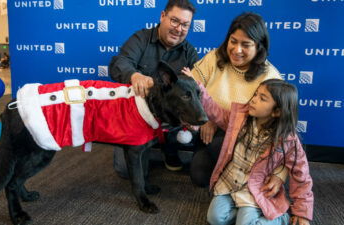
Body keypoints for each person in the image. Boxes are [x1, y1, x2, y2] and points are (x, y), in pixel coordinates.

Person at [188, 12, 283, 188]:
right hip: (208, 131)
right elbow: (190, 87)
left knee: (219, 145)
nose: (237, 50)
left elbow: (280, 130)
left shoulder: (271, 77)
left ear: (259, 47)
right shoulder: (214, 57)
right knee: (199, 176)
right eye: (233, 41)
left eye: (245, 45)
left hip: (246, 141)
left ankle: (246, 179)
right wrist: (205, 119)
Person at [200, 78, 314, 225]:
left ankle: (280, 218)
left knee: (245, 223)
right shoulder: (239, 118)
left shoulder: (287, 140)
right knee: (215, 219)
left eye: (262, 98)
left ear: (277, 111)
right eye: (255, 94)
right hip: (229, 183)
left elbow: (301, 175)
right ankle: (253, 215)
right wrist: (199, 91)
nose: (253, 100)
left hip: (254, 190)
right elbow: (216, 113)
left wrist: (302, 212)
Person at [109, 0, 199, 177]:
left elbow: (198, 87)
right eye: (175, 21)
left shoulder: (189, 52)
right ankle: (143, 150)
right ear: (163, 16)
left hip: (170, 121)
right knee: (124, 170)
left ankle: (169, 150)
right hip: (136, 117)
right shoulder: (140, 39)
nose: (179, 29)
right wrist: (134, 76)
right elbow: (120, 63)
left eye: (185, 25)